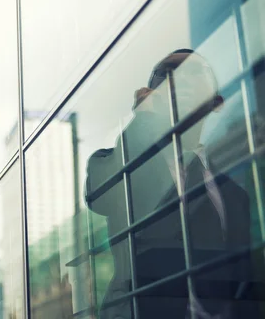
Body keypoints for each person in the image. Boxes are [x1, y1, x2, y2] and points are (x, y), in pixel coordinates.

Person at [85, 49, 259, 318]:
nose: (178, 80)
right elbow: (100, 196)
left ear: (217, 102)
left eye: (192, 72)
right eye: (166, 74)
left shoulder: (236, 196)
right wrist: (143, 120)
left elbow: (245, 279)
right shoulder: (113, 162)